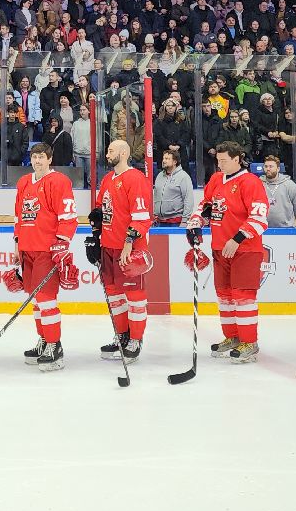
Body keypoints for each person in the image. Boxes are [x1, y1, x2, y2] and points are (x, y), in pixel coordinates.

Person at [187, 141, 270, 364]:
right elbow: (205, 206)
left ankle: (249, 342)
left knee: (243, 297)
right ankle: (232, 337)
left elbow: (260, 218)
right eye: (218, 160)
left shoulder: (250, 182)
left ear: (237, 159)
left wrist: (238, 238)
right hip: (219, 249)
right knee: (224, 297)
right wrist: (195, 224)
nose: (220, 164)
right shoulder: (216, 180)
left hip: (245, 250)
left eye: (224, 160)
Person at [12, 141, 80, 371]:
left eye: (41, 157)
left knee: (47, 299)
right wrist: (16, 246)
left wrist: (62, 243)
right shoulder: (23, 182)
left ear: (50, 160)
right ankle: (43, 340)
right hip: (27, 250)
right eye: (34, 157)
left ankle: (54, 345)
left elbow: (69, 216)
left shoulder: (59, 181)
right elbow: (18, 217)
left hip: (47, 250)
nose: (37, 161)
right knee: (36, 300)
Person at [92, 138, 154, 362]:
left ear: (124, 153)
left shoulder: (135, 179)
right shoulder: (108, 178)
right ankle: (122, 335)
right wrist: (95, 235)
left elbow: (141, 217)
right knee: (114, 296)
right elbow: (102, 210)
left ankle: (135, 338)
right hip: (108, 247)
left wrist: (128, 243)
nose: (107, 154)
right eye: (107, 150)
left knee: (135, 297)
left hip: (129, 249)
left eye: (111, 151)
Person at [153, 148, 194, 225]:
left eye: (167, 159)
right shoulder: (159, 176)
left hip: (176, 222)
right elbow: (155, 196)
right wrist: (154, 214)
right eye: (163, 158)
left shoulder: (183, 176)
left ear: (175, 162)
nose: (164, 161)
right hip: (159, 221)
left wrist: (185, 221)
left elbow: (188, 200)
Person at [261, 153, 296, 229]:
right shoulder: (258, 184)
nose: (268, 169)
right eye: (266, 166)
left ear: (278, 169)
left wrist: (288, 220)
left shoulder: (289, 185)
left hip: (286, 229)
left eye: (271, 166)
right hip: (263, 229)